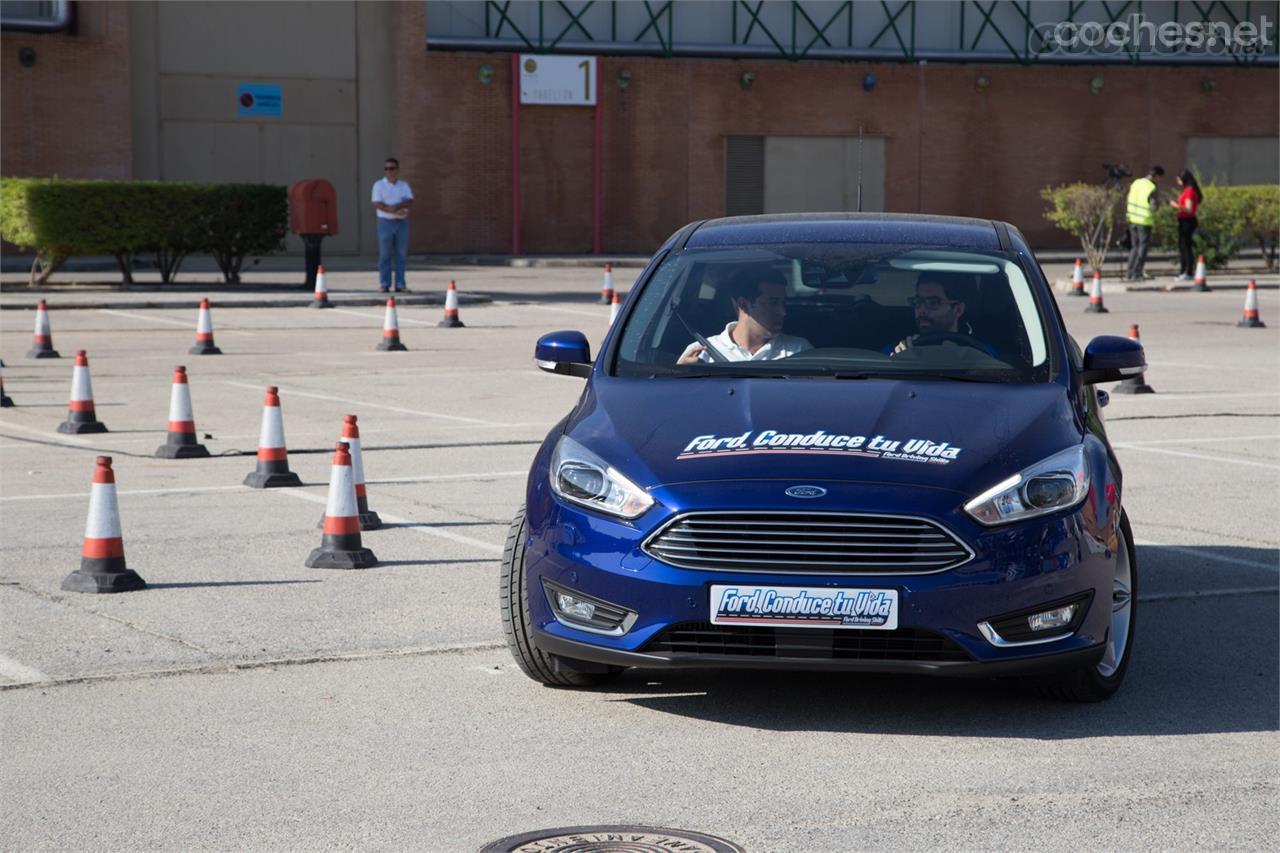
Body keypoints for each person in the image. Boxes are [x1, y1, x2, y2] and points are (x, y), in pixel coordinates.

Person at [677, 269, 811, 364]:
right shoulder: (700, 353)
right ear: (743, 304)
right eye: (772, 303)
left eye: (783, 303)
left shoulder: (799, 350)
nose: (783, 312)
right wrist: (681, 378)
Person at [890, 274, 994, 356]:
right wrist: (898, 359)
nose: (921, 310)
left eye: (933, 303)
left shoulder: (983, 352)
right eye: (918, 301)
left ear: (958, 310)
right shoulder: (898, 348)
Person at [371, 157, 414, 292]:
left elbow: (410, 200)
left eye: (392, 168)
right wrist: (390, 209)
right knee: (385, 255)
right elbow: (376, 203)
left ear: (397, 169)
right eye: (386, 169)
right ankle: (384, 284)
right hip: (385, 223)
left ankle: (400, 284)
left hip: (401, 223)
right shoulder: (378, 185)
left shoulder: (404, 185)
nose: (389, 171)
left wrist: (398, 206)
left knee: (401, 255)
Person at [1124, 165, 1164, 282]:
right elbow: (1153, 206)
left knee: (1134, 247)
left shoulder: (1136, 182)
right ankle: (1137, 273)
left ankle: (1130, 273)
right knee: (1142, 248)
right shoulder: (1152, 187)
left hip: (1132, 218)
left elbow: (1128, 199)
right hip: (1144, 220)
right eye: (1160, 178)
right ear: (1156, 176)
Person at [1170, 169, 1203, 281]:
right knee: (1183, 247)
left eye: (1179, 179)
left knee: (1186, 247)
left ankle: (1187, 272)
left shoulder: (1189, 191)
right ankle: (1183, 271)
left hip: (1187, 221)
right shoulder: (1187, 190)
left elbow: (1189, 209)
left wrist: (1176, 205)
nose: (1178, 181)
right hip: (1184, 220)